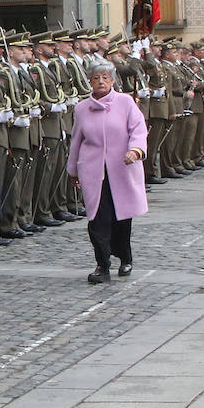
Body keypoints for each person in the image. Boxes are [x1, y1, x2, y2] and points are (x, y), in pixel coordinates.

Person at [66, 60, 148, 283]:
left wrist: (136, 150)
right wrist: (72, 169)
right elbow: (77, 140)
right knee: (96, 219)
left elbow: (138, 129)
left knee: (121, 218)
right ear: (90, 82)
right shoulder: (82, 108)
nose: (100, 81)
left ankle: (125, 258)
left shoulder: (126, 102)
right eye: (95, 78)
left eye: (105, 77)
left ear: (112, 80)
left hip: (122, 168)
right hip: (93, 170)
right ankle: (102, 265)